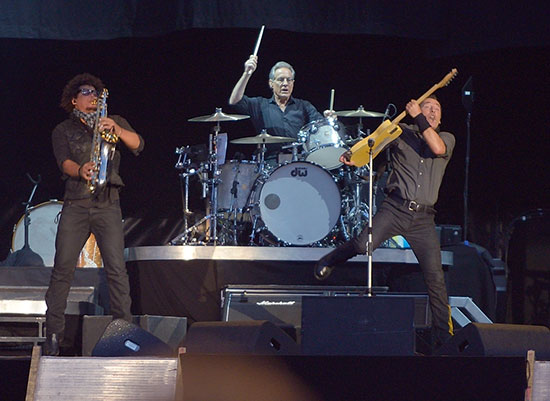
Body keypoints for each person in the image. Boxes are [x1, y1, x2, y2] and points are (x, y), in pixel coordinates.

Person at [314, 95, 455, 349]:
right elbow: (373, 145)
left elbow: (437, 149)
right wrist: (354, 155)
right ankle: (330, 259)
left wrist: (419, 115)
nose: (433, 113)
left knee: (435, 278)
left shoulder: (446, 138)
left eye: (437, 110)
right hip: (395, 208)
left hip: (424, 219)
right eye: (428, 108)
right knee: (362, 245)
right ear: (416, 111)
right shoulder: (400, 132)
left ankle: (444, 340)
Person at [44, 73, 144, 356]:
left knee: (116, 270)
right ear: (74, 100)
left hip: (108, 203)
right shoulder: (62, 129)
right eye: (86, 92)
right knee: (63, 269)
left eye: (95, 92)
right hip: (76, 203)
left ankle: (123, 335)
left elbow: (138, 144)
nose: (92, 96)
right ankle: (54, 337)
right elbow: (63, 162)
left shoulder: (113, 121)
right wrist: (81, 169)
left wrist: (116, 128)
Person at [228, 55, 331, 159]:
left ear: (293, 83)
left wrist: (328, 120)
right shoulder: (260, 104)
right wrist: (247, 73)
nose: (285, 83)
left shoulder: (304, 106)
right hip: (271, 161)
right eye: (281, 79)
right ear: (271, 83)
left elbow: (321, 126)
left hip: (299, 159)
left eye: (289, 80)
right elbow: (235, 101)